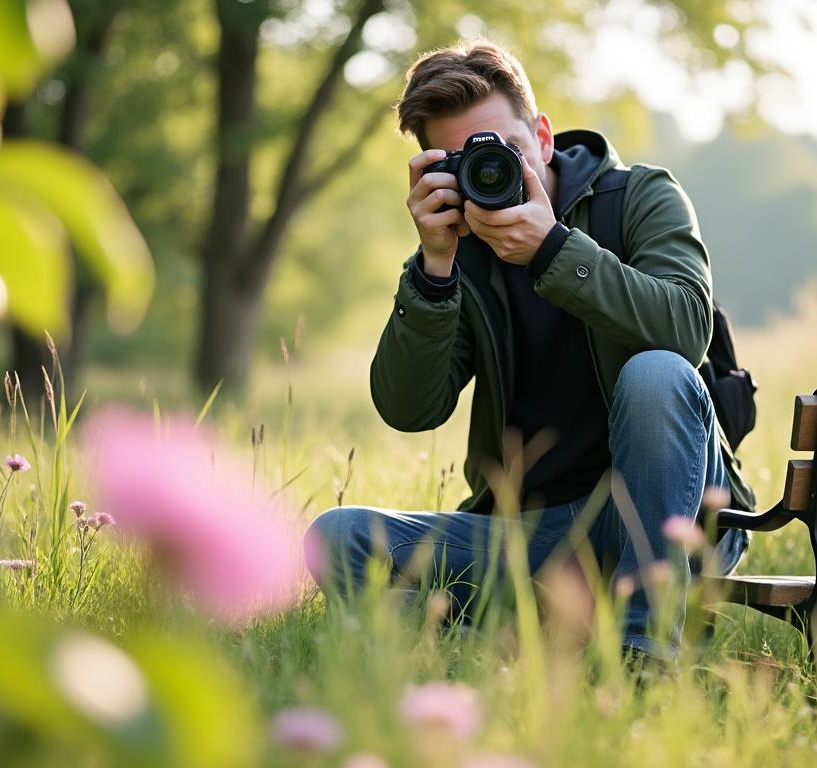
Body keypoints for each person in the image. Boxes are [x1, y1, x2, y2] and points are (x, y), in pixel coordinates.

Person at [305, 39, 749, 663]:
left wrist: (553, 251)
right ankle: (504, 643)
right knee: (338, 537)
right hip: (539, 535)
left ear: (542, 135)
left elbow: (685, 328)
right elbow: (410, 409)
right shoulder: (454, 254)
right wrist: (434, 268)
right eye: (464, 162)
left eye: (505, 151)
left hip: (673, 516)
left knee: (655, 374)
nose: (491, 172)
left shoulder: (640, 197)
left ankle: (644, 653)